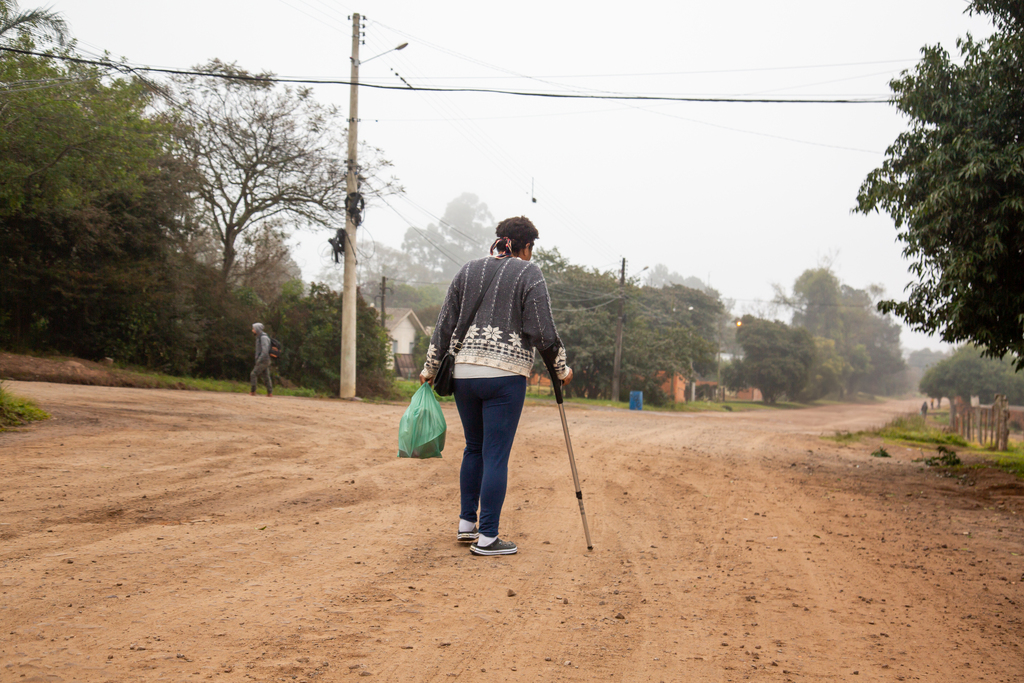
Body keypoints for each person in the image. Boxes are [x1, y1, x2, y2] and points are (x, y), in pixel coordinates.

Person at [420, 216, 572, 557]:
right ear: (527, 246)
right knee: (495, 454)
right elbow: (543, 331)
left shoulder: (468, 270)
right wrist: (561, 370)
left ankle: (466, 524)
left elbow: (444, 324)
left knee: (474, 448)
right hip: (505, 376)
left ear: (500, 240)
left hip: (464, 375)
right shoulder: (528, 272)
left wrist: (429, 367)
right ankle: (488, 538)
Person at [250, 322, 273, 397]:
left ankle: (253, 391)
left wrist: (259, 360)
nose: (252, 330)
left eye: (253, 329)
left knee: (253, 374)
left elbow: (265, 351)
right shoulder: (258, 337)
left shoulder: (263, 338)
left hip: (264, 360)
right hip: (264, 360)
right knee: (266, 376)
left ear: (257, 329)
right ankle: (269, 392)